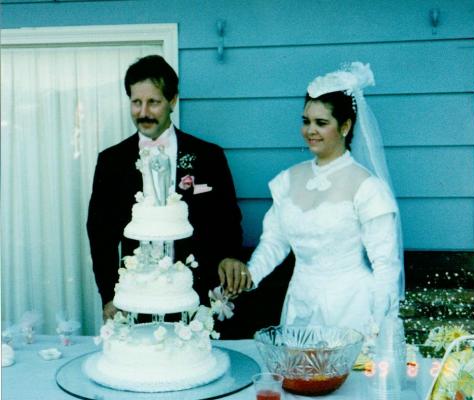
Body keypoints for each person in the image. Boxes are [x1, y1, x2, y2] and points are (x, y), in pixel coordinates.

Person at [218, 62, 403, 335]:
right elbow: (275, 242)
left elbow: (386, 265)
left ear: (345, 126)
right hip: (300, 303)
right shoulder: (288, 180)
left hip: (352, 307)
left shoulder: (367, 187)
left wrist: (378, 325)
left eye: (321, 123)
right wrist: (249, 276)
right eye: (306, 121)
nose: (310, 130)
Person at [87, 55, 243, 321]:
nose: (143, 112)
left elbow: (228, 219)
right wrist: (111, 296)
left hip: (196, 297)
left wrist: (230, 257)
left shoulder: (208, 156)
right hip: (136, 297)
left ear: (172, 101)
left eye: (153, 102)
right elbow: (100, 235)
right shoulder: (111, 161)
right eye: (136, 102)